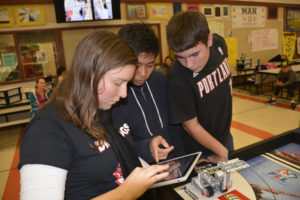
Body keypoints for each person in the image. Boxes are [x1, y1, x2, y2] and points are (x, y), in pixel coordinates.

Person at [18, 30, 169, 200]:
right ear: (90, 75)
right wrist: (126, 193)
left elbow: (119, 159)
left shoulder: (104, 111)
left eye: (127, 83)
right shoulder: (46, 130)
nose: (124, 93)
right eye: (118, 83)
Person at [166, 11, 234, 163]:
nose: (189, 64)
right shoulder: (178, 77)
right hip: (200, 151)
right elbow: (191, 126)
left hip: (225, 136)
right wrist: (221, 151)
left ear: (209, 40)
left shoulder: (219, 44)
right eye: (180, 57)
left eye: (195, 54)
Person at [112, 23, 185, 164]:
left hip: (173, 164)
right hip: (140, 169)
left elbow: (175, 126)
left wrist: (182, 159)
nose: (143, 73)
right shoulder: (113, 95)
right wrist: (147, 148)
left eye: (150, 65)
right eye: (136, 65)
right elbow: (119, 146)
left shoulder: (160, 80)